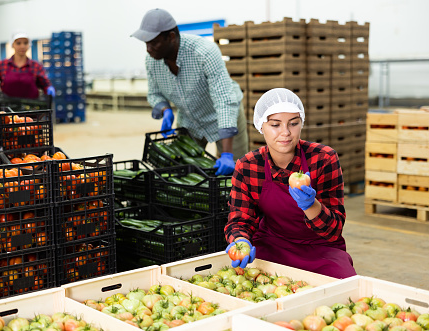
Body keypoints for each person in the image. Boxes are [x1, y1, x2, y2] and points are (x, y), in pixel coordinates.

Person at [224, 88, 356, 279]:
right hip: (273, 245)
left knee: (346, 287)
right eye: (275, 125)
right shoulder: (248, 166)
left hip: (321, 248)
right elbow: (240, 220)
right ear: (261, 126)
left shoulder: (324, 159)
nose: (285, 133)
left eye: (293, 123)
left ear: (302, 123)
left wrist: (312, 205)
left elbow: (334, 230)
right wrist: (240, 241)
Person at [131, 8, 249, 176]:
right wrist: (165, 111)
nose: (148, 49)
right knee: (184, 172)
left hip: (224, 117)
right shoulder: (152, 61)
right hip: (190, 122)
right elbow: (154, 93)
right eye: (146, 43)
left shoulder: (204, 53)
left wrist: (228, 154)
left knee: (238, 173)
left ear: (171, 37)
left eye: (154, 43)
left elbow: (224, 100)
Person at [0, 31, 55, 99]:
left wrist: (49, 88)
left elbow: (45, 84)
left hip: (32, 108)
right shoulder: (2, 65)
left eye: (25, 43)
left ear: (29, 45)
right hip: (7, 108)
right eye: (18, 43)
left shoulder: (36, 66)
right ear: (12, 45)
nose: (22, 46)